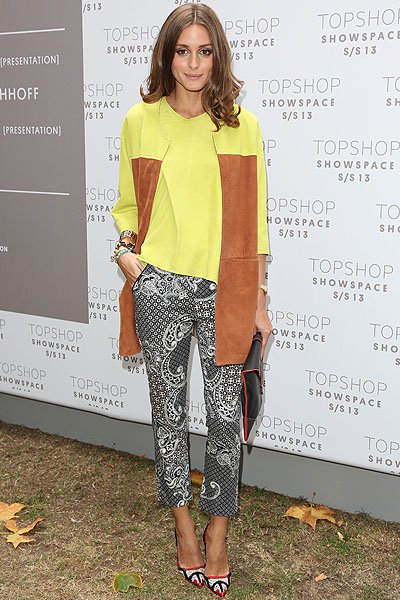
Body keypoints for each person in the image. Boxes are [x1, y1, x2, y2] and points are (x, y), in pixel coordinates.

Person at [111, 4, 272, 596]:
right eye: (183, 51)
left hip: (225, 288)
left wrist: (256, 296)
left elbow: (254, 223)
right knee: (169, 415)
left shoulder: (242, 126)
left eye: (205, 51)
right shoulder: (140, 120)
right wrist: (130, 262)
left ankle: (218, 534)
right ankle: (182, 527)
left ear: (218, 56)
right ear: (167, 54)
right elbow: (127, 208)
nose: (194, 63)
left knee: (227, 420)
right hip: (160, 288)